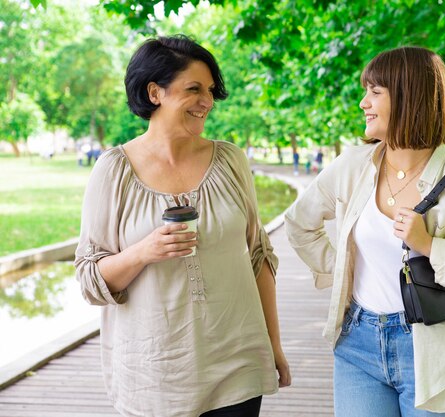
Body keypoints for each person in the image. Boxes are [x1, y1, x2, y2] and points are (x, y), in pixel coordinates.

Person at [284, 46, 445, 417]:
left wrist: (430, 245)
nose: (364, 103)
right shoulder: (352, 165)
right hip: (357, 344)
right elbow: (300, 223)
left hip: (435, 353)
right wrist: (342, 273)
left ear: (409, 96)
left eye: (375, 92)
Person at [74, 35, 290, 417]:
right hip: (155, 376)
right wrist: (144, 252)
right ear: (154, 92)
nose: (207, 101)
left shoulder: (230, 160)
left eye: (209, 90)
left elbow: (259, 257)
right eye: (193, 89)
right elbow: (91, 279)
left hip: (237, 365)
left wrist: (273, 346)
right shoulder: (114, 170)